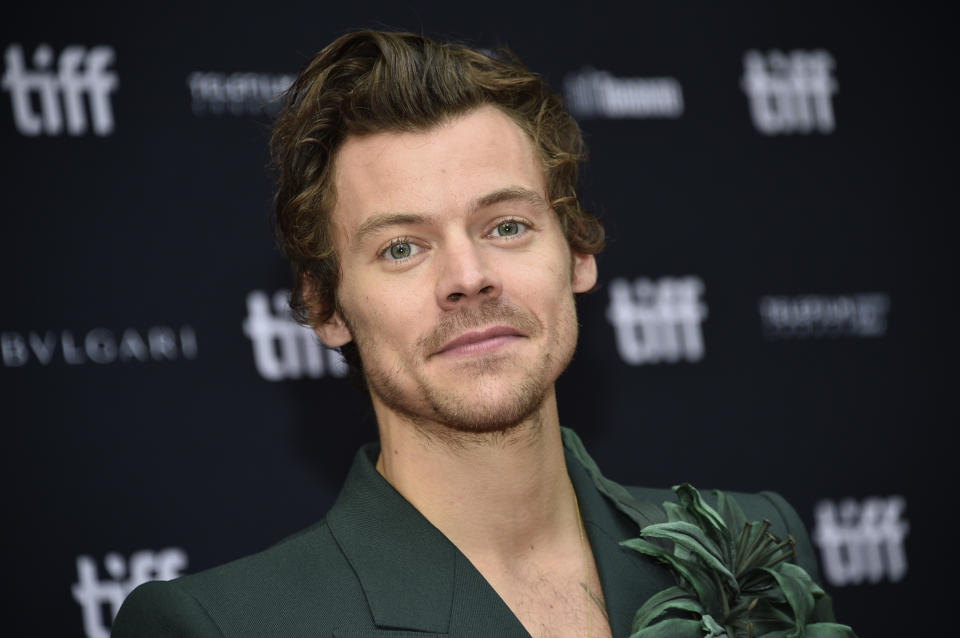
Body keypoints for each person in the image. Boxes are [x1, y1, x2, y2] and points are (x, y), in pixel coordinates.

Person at [113, 30, 824, 638]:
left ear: (577, 254)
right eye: (401, 247)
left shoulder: (750, 546)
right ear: (326, 308)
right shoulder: (224, 626)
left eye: (506, 226)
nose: (469, 276)